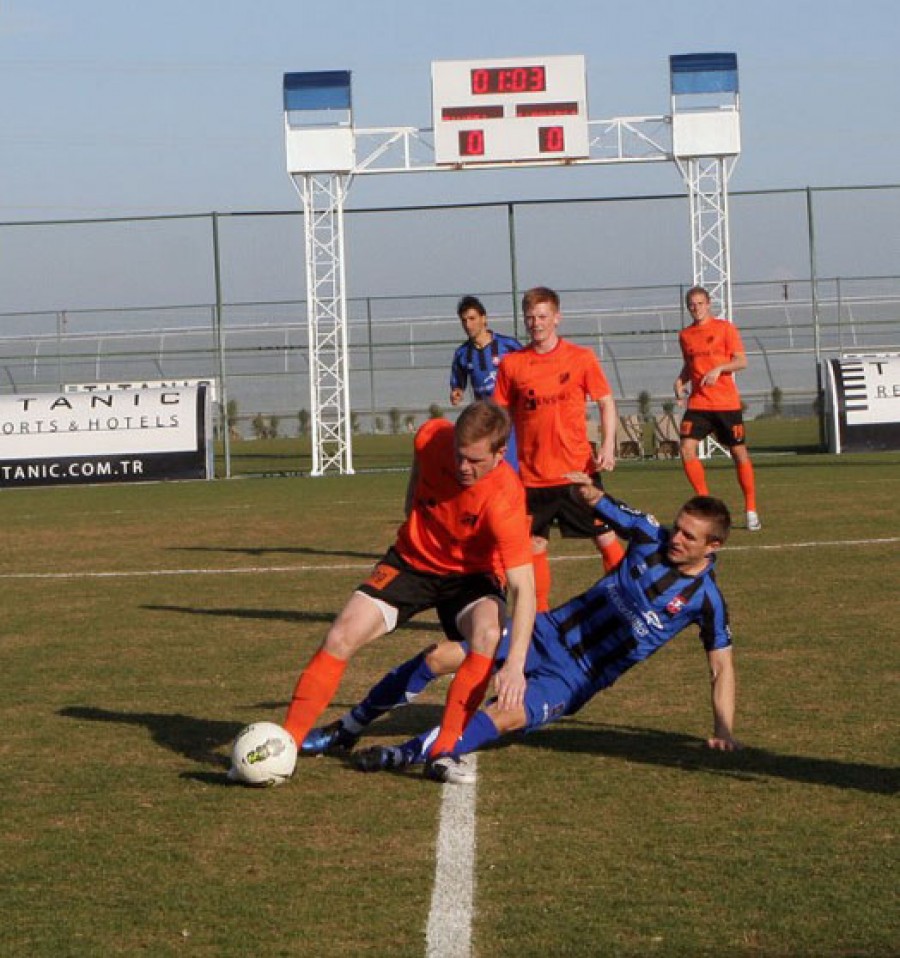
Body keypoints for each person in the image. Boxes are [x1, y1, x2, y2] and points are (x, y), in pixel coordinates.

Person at [342, 476, 740, 784]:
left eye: (690, 536)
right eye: (678, 527)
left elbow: (721, 666)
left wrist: (723, 730)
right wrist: (585, 488)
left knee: (506, 715)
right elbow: (603, 503)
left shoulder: (706, 601)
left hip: (576, 676)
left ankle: (403, 753)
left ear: (714, 546)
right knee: (439, 656)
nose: (677, 538)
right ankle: (350, 724)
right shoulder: (649, 536)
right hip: (544, 632)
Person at [281, 400, 536, 781]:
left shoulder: (505, 497)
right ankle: (286, 744)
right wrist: (411, 499)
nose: (463, 467)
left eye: (475, 461)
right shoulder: (433, 438)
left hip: (472, 576)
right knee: (340, 634)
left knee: (486, 633)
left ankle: (444, 750)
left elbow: (524, 587)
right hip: (412, 562)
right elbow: (422, 458)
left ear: (501, 453)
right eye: (459, 456)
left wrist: (515, 664)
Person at [492, 285, 623, 612]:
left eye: (542, 316)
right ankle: (540, 618)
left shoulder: (581, 358)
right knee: (535, 545)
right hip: (533, 477)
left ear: (557, 318)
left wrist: (608, 444)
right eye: (530, 317)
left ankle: (628, 603)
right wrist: (494, 456)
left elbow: (606, 401)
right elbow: (499, 415)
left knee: (605, 538)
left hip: (577, 472)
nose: (536, 323)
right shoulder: (512, 365)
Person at [674, 286, 761, 531]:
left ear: (709, 303)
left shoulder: (725, 328)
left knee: (739, 453)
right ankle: (705, 501)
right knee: (687, 448)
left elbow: (741, 361)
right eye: (692, 304)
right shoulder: (685, 335)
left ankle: (751, 509)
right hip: (699, 404)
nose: (696, 308)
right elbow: (690, 365)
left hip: (726, 403)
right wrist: (681, 381)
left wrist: (719, 368)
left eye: (700, 303)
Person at [449, 294, 523, 468]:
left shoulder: (508, 345)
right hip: (486, 420)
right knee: (490, 469)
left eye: (472, 318)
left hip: (511, 416)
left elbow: (528, 369)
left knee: (514, 467)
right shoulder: (462, 353)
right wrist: (456, 391)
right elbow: (458, 382)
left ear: (484, 318)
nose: (468, 324)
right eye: (464, 320)